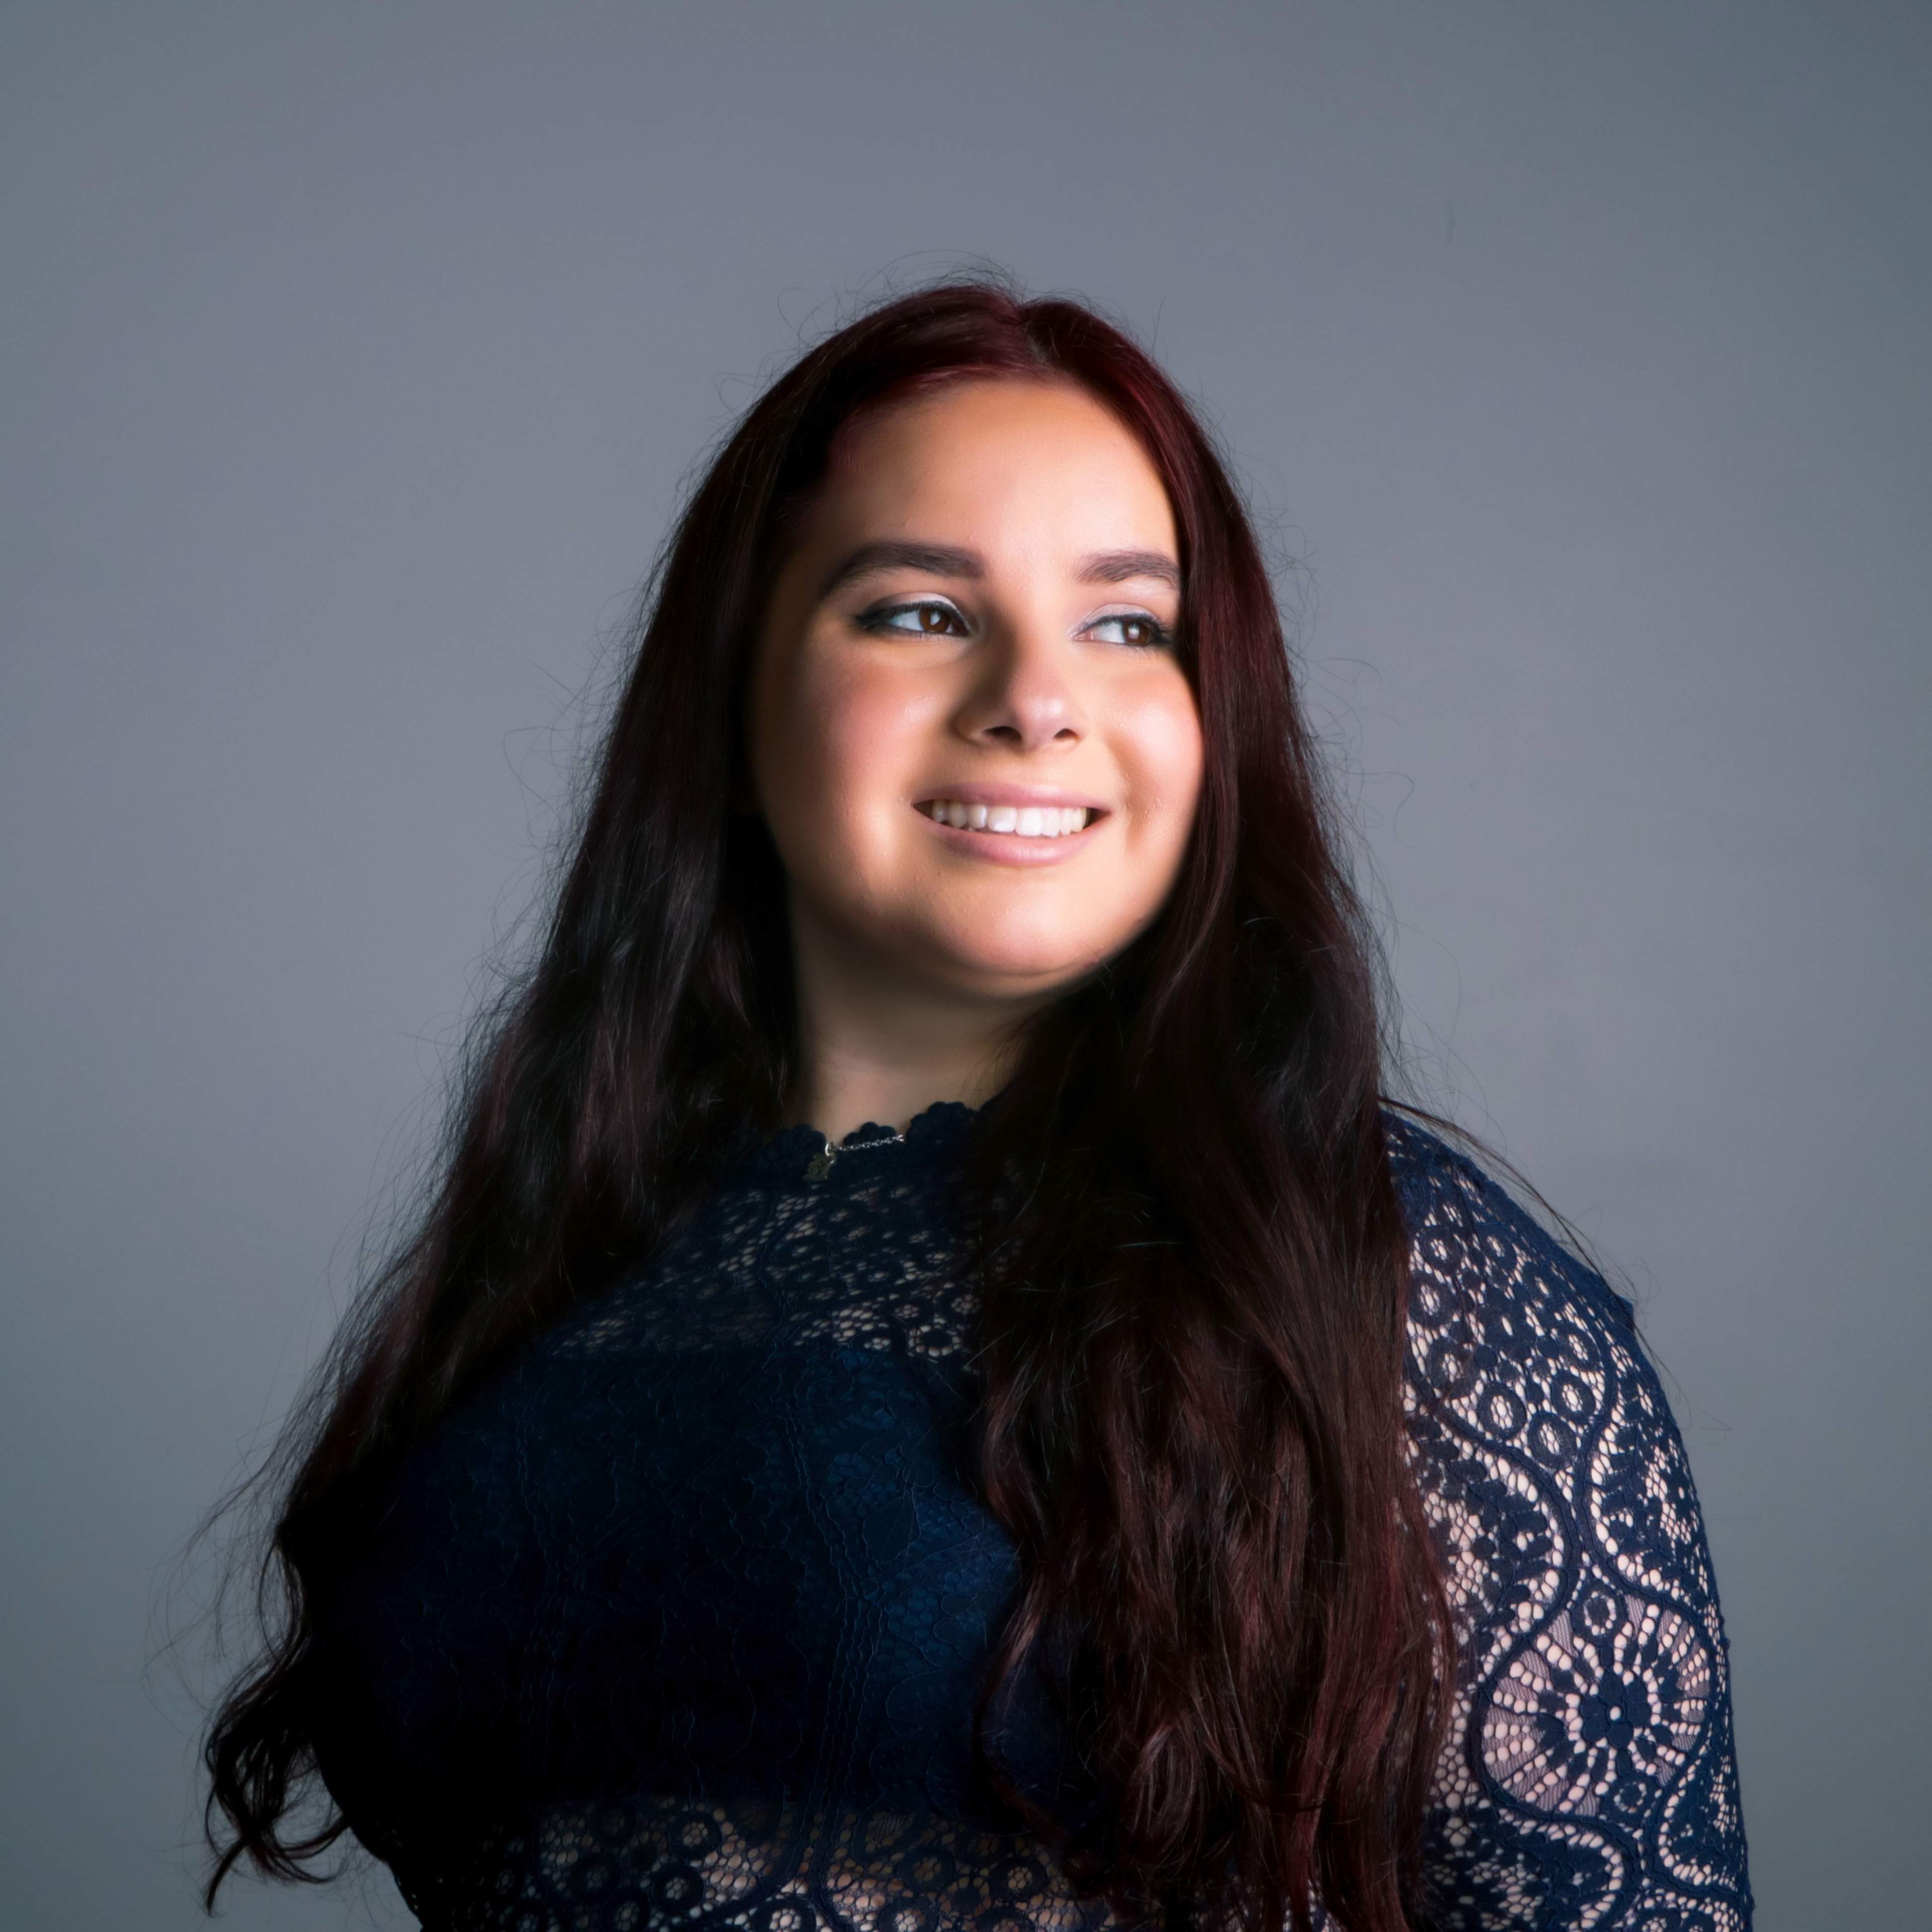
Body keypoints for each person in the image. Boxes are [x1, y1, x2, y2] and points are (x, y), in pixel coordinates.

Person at [202, 281, 1751, 1932]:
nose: (1035, 696)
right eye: (923, 611)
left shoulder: (1389, 1275)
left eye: (1128, 625)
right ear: (734, 690)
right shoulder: (568, 1251)